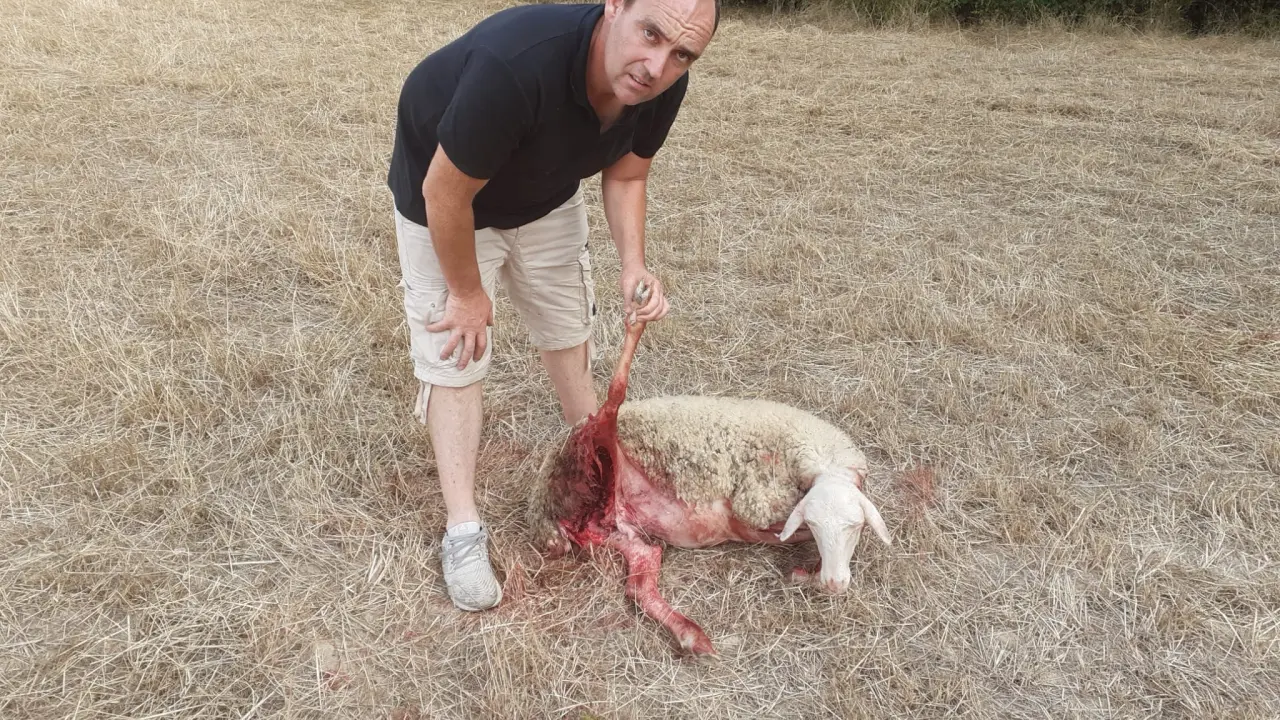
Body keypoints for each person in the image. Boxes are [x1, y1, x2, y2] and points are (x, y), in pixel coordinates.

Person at [386, 0, 720, 612]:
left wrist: (633, 263)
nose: (656, 66)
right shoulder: (516, 65)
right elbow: (445, 192)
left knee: (567, 326)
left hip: (544, 195)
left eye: (681, 54)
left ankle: (593, 473)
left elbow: (627, 175)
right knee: (458, 351)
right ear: (614, 6)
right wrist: (467, 295)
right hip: (448, 200)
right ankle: (463, 529)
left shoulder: (662, 81)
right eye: (650, 34)